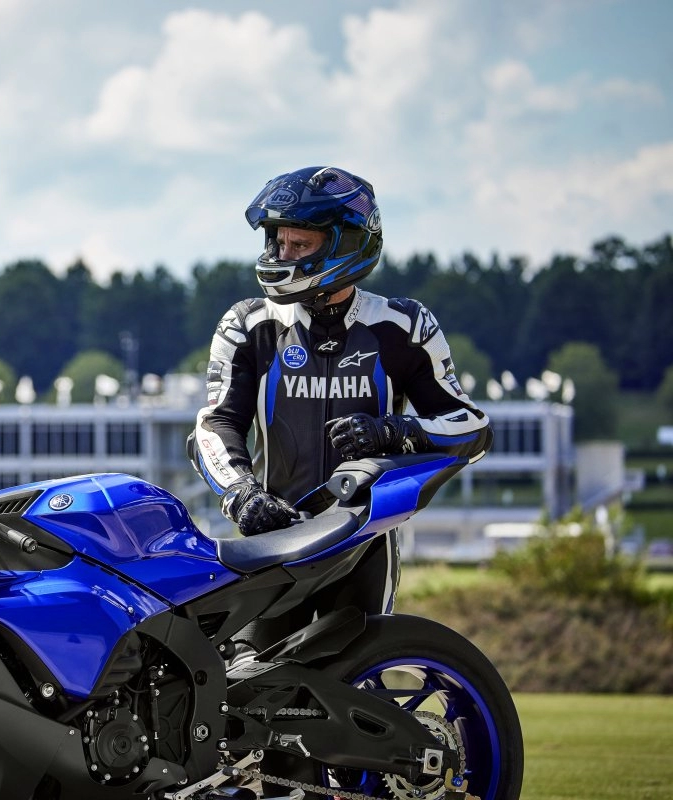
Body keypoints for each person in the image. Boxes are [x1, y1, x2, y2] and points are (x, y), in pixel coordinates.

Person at [189, 165, 492, 627]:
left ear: (345, 244)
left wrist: (395, 432)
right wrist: (242, 494)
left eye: (300, 244)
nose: (283, 255)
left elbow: (473, 430)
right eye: (279, 242)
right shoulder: (249, 324)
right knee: (252, 667)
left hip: (364, 546)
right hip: (273, 541)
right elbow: (214, 426)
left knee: (364, 663)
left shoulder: (403, 326)